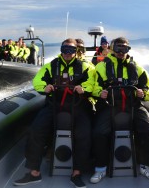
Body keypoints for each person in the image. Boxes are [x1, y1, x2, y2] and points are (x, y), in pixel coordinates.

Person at [14, 38, 95, 188]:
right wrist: (44, 87)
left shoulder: (85, 66)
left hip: (77, 105)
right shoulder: (51, 66)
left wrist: (83, 88)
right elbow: (38, 80)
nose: (67, 53)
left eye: (71, 50)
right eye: (65, 49)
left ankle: (77, 173)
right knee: (36, 130)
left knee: (84, 133)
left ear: (76, 51)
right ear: (61, 49)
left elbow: (92, 82)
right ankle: (34, 172)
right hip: (54, 104)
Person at [90, 37, 149, 184]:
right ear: (111, 49)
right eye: (118, 49)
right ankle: (100, 168)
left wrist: (144, 93)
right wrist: (99, 93)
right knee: (98, 133)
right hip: (110, 106)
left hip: (133, 106)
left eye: (125, 49)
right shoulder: (101, 67)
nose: (122, 52)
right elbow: (95, 87)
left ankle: (144, 164)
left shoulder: (137, 68)